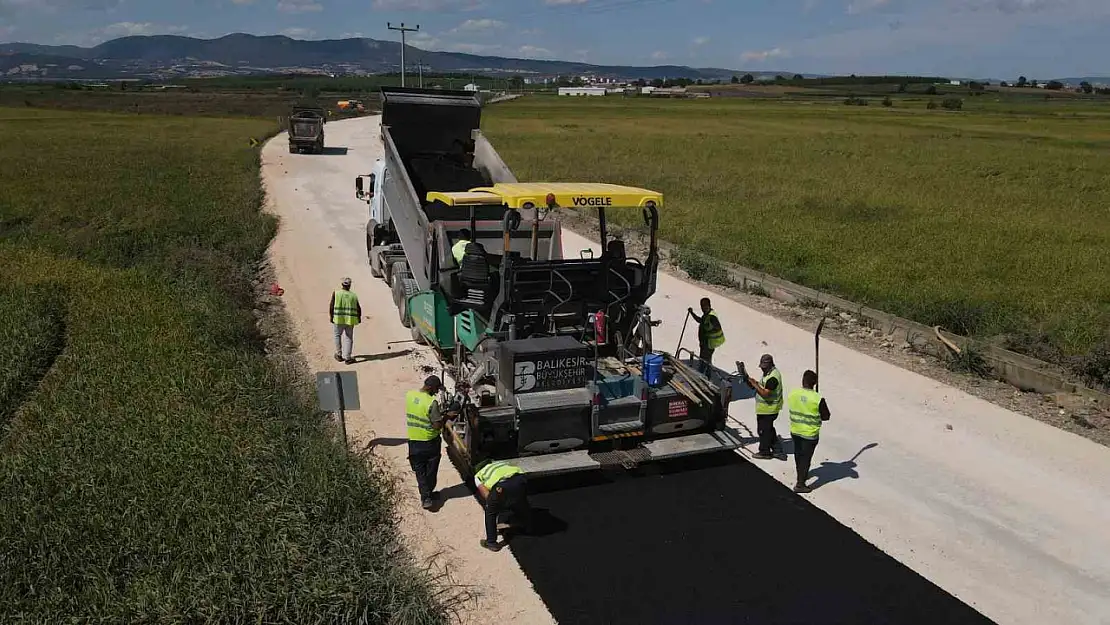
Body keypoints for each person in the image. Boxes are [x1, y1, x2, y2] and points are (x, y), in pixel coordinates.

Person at [406, 375, 450, 510]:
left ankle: (428, 495)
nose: (436, 392)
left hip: (414, 442)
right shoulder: (431, 402)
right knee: (430, 471)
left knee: (420, 471)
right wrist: (446, 417)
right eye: (436, 389)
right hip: (430, 442)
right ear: (430, 387)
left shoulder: (410, 395)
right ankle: (426, 497)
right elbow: (437, 425)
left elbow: (421, 413)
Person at [786, 370, 831, 493]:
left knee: (798, 454)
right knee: (806, 458)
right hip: (809, 434)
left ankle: (801, 474)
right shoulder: (817, 398)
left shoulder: (793, 393)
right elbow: (826, 416)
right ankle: (800, 484)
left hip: (795, 430)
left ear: (803, 381)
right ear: (815, 383)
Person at [474, 458, 531, 552]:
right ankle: (528, 526)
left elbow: (487, 495)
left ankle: (491, 543)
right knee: (520, 501)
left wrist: (496, 505)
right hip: (520, 479)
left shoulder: (478, 475)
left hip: (502, 486)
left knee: (490, 512)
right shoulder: (500, 463)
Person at [746, 353, 784, 460]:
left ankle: (764, 452)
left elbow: (765, 393)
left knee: (763, 431)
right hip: (766, 409)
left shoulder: (773, 377)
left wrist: (755, 385)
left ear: (770, 365)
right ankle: (777, 449)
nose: (762, 370)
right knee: (769, 430)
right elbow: (763, 386)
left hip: (769, 409)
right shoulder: (769, 374)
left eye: (764, 367)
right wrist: (753, 383)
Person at [329, 277, 361, 364]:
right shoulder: (353, 296)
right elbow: (358, 309)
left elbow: (331, 306)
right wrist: (359, 318)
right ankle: (348, 358)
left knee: (337, 335)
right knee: (349, 338)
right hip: (350, 320)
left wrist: (331, 317)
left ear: (342, 284)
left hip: (338, 319)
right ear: (350, 285)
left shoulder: (336, 293)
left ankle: (339, 355)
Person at [688, 297, 725, 366]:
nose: (702, 308)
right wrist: (692, 313)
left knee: (704, 362)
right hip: (705, 343)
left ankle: (704, 375)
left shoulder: (711, 316)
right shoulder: (706, 314)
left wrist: (709, 329)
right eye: (701, 306)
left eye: (704, 305)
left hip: (708, 344)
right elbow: (700, 321)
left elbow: (716, 327)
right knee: (705, 361)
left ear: (709, 305)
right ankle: (705, 374)